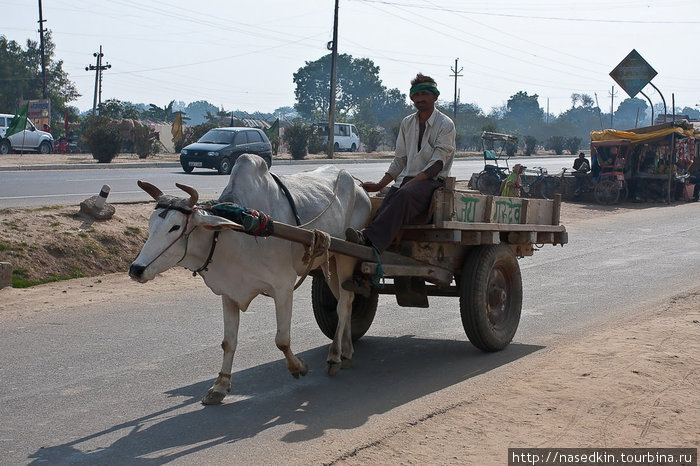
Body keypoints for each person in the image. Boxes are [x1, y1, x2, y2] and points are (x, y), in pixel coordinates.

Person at [344, 73, 456, 254]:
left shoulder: (445, 124)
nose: (420, 98)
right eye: (416, 95)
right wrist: (380, 184)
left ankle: (369, 241)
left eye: (424, 94)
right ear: (412, 97)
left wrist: (410, 183)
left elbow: (437, 164)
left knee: (402, 195)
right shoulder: (407, 123)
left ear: (435, 96)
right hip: (407, 181)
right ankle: (374, 247)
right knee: (385, 204)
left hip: (433, 182)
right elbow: (400, 159)